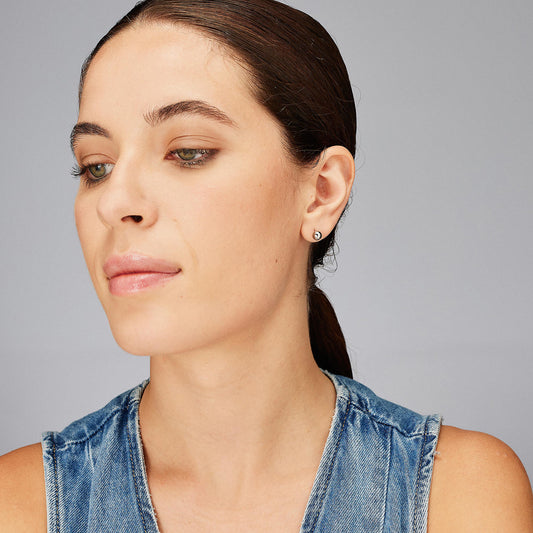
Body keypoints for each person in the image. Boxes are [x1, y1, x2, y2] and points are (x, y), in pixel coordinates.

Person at [1, 0, 532, 531]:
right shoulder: (20, 507)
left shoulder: (457, 496)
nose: (114, 202)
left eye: (188, 151)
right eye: (96, 166)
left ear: (321, 192)